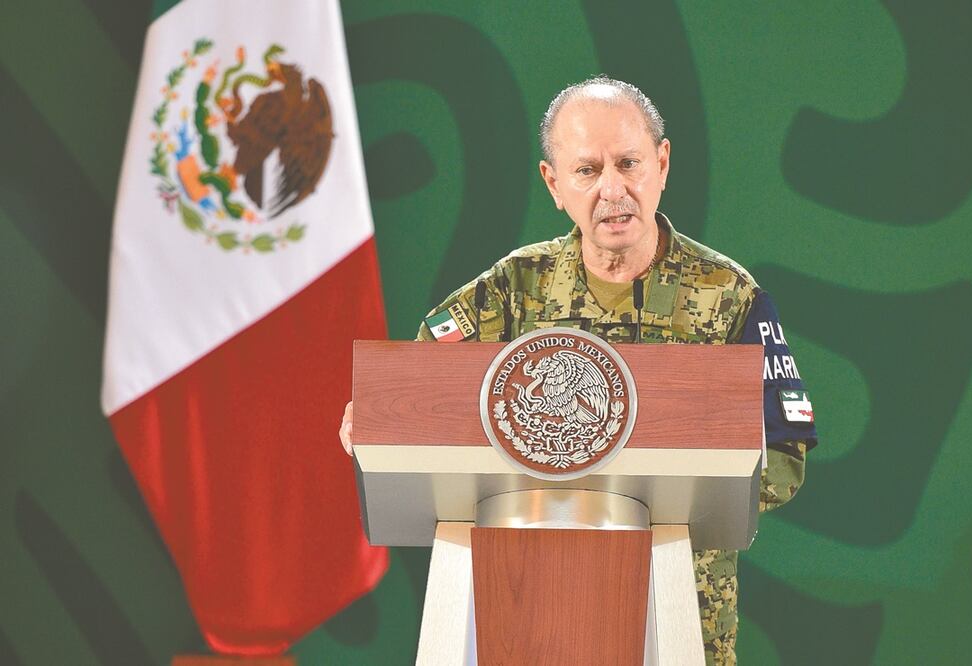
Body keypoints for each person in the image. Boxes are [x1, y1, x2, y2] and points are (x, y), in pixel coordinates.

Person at [340, 76, 817, 665]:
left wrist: (680, 484)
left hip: (674, 614)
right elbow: (417, 397)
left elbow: (785, 455)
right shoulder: (515, 288)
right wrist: (375, 422)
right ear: (554, 184)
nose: (613, 190)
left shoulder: (729, 296)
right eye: (588, 171)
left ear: (662, 164)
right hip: (528, 615)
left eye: (629, 163)